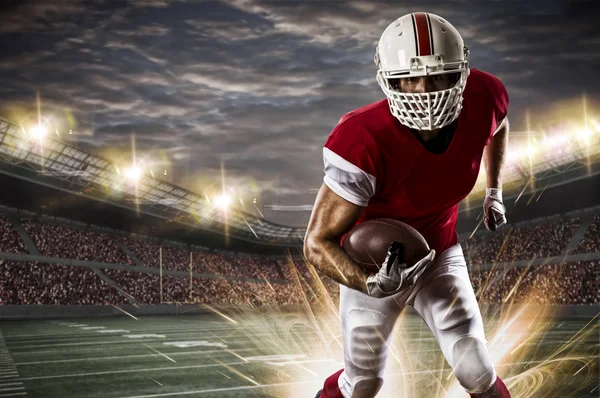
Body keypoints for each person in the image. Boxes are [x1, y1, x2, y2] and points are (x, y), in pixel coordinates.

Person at [304, 12, 511, 398]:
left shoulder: (484, 96)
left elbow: (497, 126)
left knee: (476, 369)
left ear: (462, 73)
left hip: (439, 251)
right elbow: (316, 243)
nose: (424, 91)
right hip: (374, 263)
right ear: (387, 80)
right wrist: (368, 281)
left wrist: (493, 191)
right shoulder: (362, 138)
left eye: (439, 76)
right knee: (363, 383)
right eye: (409, 79)